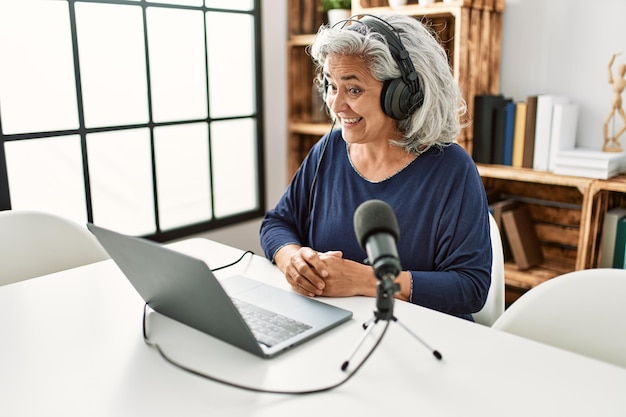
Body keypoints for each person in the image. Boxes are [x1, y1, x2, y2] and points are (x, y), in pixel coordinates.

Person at [260, 14, 492, 321]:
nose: (336, 104)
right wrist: (291, 258)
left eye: (353, 90)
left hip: (425, 338)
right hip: (336, 329)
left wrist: (365, 280)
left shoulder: (451, 169)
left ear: (403, 97)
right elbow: (277, 222)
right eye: (331, 85)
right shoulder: (328, 150)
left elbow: (470, 287)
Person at [603, 52, 626, 152]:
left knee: (625, 123)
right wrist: (613, 57)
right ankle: (606, 140)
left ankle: (615, 138)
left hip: (619, 101)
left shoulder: (624, 82)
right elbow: (608, 67)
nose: (622, 71)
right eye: (621, 69)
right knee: (606, 122)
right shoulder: (614, 80)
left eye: (624, 70)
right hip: (615, 100)